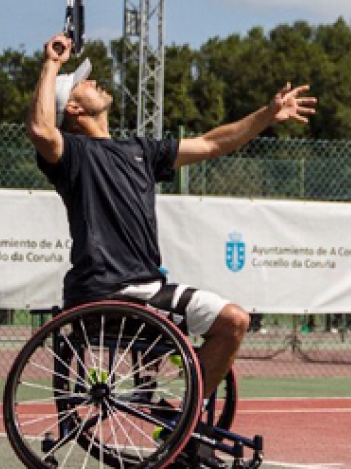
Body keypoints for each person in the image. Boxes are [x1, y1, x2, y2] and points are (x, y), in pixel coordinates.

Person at [27, 33, 316, 401]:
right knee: (233, 321)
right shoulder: (72, 154)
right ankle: (185, 421)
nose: (93, 82)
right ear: (73, 108)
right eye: (82, 83)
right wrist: (52, 65)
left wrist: (268, 115)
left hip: (146, 288)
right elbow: (40, 129)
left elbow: (213, 143)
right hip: (108, 290)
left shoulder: (140, 150)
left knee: (233, 323)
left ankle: (179, 422)